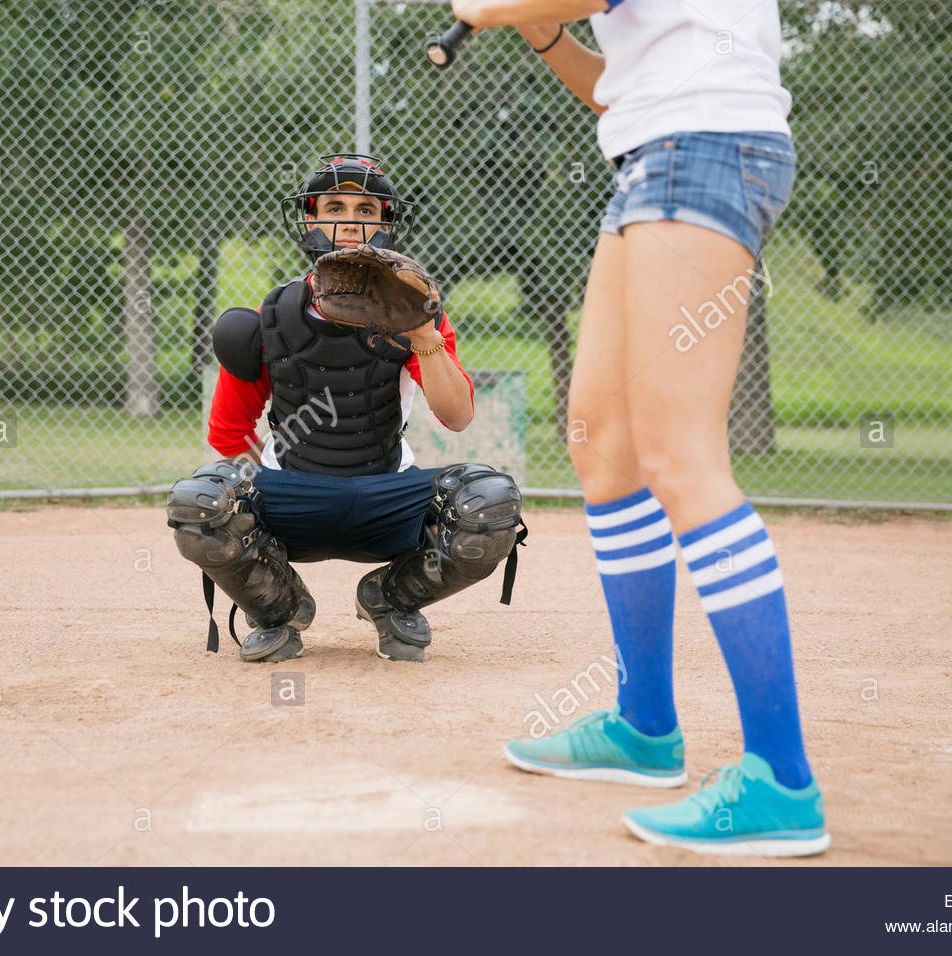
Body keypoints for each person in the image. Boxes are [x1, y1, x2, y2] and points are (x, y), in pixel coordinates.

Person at [452, 0, 829, 856]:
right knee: (603, 443)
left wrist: (487, 7)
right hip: (652, 157)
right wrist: (540, 31)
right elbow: (609, 88)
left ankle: (781, 780)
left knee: (679, 454)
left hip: (703, 151)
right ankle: (645, 727)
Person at [166, 154, 525, 664]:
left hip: (387, 491)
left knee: (490, 503)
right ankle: (277, 606)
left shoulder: (415, 312)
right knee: (200, 501)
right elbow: (229, 433)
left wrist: (423, 333)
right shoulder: (268, 319)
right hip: (290, 494)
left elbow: (458, 415)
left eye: (367, 209)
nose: (351, 221)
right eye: (334, 206)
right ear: (310, 219)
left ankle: (392, 598)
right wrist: (250, 508)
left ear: (384, 223)